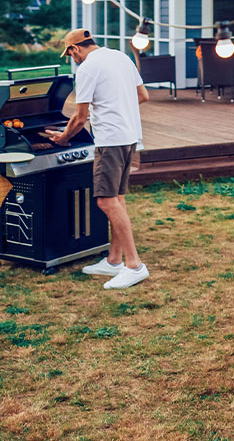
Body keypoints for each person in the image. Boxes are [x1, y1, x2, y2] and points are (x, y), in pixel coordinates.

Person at [46, 29, 150, 289]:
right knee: (118, 199)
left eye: (70, 54)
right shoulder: (121, 57)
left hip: (110, 141)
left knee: (105, 201)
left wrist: (62, 137)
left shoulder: (87, 68)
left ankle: (134, 265)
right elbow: (142, 96)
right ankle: (114, 261)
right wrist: (113, 110)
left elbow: (79, 118)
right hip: (129, 137)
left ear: (74, 49)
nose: (73, 59)